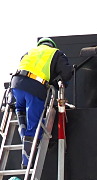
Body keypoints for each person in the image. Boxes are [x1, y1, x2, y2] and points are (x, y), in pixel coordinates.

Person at [10, 37, 73, 167]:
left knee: (20, 109)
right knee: (34, 126)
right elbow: (67, 73)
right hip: (34, 88)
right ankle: (27, 161)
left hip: (16, 84)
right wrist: (58, 84)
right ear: (52, 45)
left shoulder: (29, 52)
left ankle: (22, 132)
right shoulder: (56, 53)